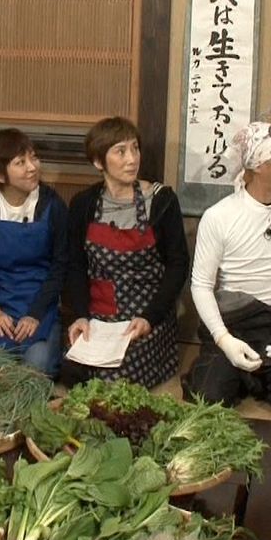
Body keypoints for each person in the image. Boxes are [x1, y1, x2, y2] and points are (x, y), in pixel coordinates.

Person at [182, 110, 271, 419]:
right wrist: (224, 339)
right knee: (207, 398)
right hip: (233, 321)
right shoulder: (219, 216)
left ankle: (257, 376)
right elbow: (202, 285)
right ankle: (243, 373)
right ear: (259, 165)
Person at [64, 116, 189, 388]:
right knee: (72, 370)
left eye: (135, 148)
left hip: (145, 314)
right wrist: (81, 315)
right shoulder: (84, 203)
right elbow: (75, 264)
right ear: (98, 162)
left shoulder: (162, 200)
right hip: (99, 313)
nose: (132, 159)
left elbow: (178, 264)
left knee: (113, 380)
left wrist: (149, 317)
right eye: (120, 151)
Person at [0, 128, 68, 377]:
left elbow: (60, 265)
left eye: (33, 158)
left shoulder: (53, 205)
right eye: (20, 162)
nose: (32, 167)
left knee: (37, 366)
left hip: (39, 304)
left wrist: (34, 315)